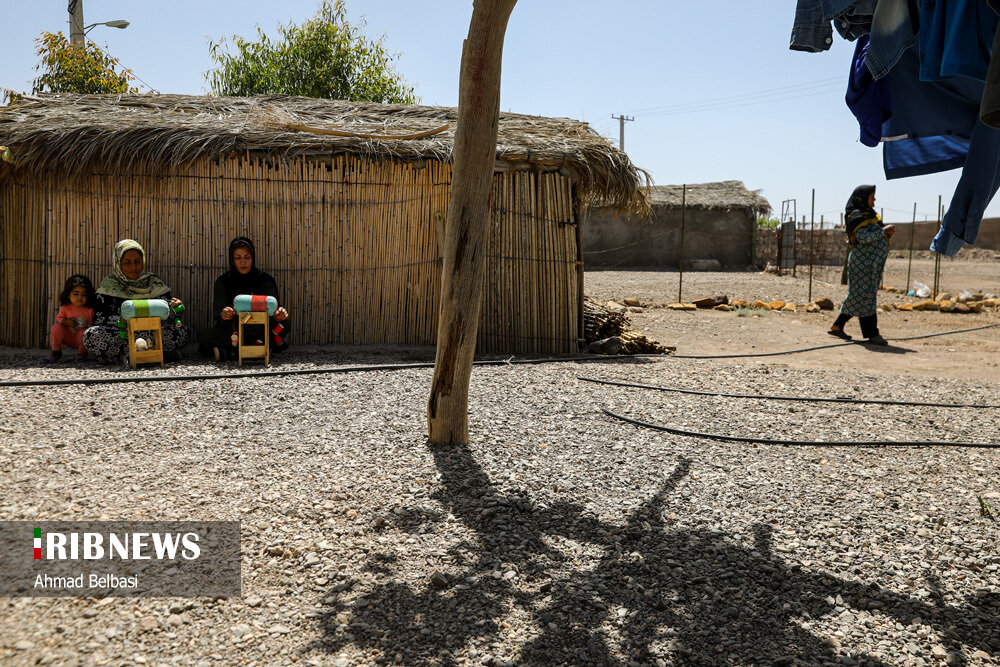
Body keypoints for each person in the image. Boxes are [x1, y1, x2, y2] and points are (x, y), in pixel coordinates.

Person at [82, 239, 191, 364]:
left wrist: (176, 307)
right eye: (127, 263)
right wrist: (124, 320)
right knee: (91, 335)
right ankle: (155, 355)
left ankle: (130, 356)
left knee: (183, 332)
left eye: (137, 262)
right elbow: (99, 319)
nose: (133, 267)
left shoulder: (154, 283)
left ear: (143, 261)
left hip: (151, 332)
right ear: (118, 263)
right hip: (123, 334)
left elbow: (170, 317)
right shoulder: (108, 286)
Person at [198, 236, 289, 361]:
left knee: (285, 324)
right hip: (234, 330)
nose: (243, 262)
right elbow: (217, 312)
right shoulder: (224, 281)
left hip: (261, 327)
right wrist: (224, 314)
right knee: (204, 336)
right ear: (232, 259)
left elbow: (275, 307)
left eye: (247, 257)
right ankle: (259, 350)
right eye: (238, 258)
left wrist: (281, 313)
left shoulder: (264, 280)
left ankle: (232, 353)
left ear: (253, 258)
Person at [828, 185, 895, 345]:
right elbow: (862, 238)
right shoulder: (857, 215)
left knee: (858, 297)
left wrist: (885, 232)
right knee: (866, 298)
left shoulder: (871, 215)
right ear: (863, 198)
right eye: (872, 196)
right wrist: (883, 231)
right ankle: (872, 334)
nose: (874, 199)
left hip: (871, 265)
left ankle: (837, 326)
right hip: (862, 265)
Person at [43, 274, 96, 363]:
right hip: (68, 336)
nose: (80, 297)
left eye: (83, 294)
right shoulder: (65, 308)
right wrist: (66, 321)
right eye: (76, 294)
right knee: (56, 328)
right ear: (68, 295)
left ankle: (82, 354)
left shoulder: (90, 310)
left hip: (82, 339)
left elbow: (93, 324)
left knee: (86, 332)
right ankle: (56, 352)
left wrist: (89, 326)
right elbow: (59, 318)